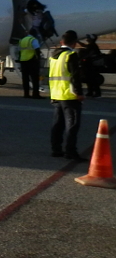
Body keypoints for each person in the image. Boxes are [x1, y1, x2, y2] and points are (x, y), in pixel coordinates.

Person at [48, 30, 85, 161]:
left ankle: (56, 149)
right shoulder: (71, 55)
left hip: (56, 94)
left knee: (57, 124)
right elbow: (75, 76)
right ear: (74, 43)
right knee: (72, 124)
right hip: (69, 95)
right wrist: (79, 93)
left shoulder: (54, 55)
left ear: (61, 41)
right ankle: (71, 151)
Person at [16, 32, 42, 99]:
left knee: (25, 79)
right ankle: (35, 94)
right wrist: (38, 58)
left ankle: (26, 94)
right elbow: (37, 49)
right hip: (32, 60)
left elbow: (19, 51)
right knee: (34, 79)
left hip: (23, 61)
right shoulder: (33, 40)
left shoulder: (22, 40)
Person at [79, 34, 104, 98]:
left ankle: (96, 93)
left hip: (91, 65)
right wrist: (78, 42)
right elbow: (85, 46)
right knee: (89, 79)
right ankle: (90, 92)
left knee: (92, 79)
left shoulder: (92, 46)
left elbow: (87, 52)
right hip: (90, 65)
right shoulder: (92, 45)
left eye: (88, 38)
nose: (87, 39)